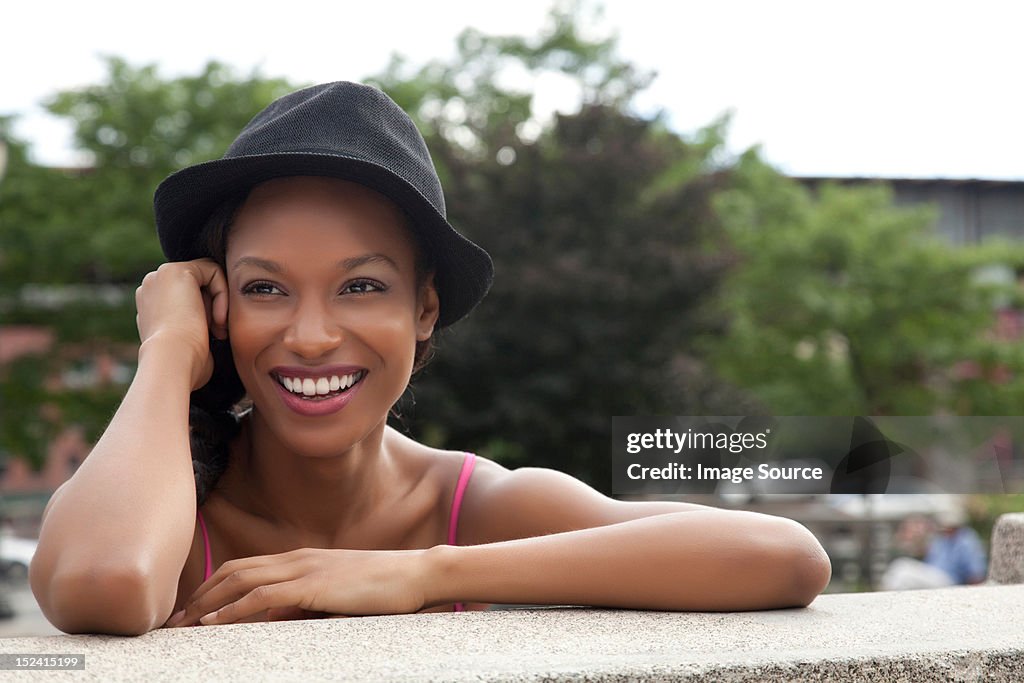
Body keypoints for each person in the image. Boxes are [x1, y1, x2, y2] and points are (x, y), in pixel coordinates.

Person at [29, 82, 832, 635]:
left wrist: (422, 575)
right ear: (218, 309)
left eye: (361, 285)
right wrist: (168, 351)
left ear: (424, 308)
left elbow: (784, 557)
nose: (309, 335)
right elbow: (104, 585)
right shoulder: (169, 513)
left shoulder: (464, 506)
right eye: (266, 289)